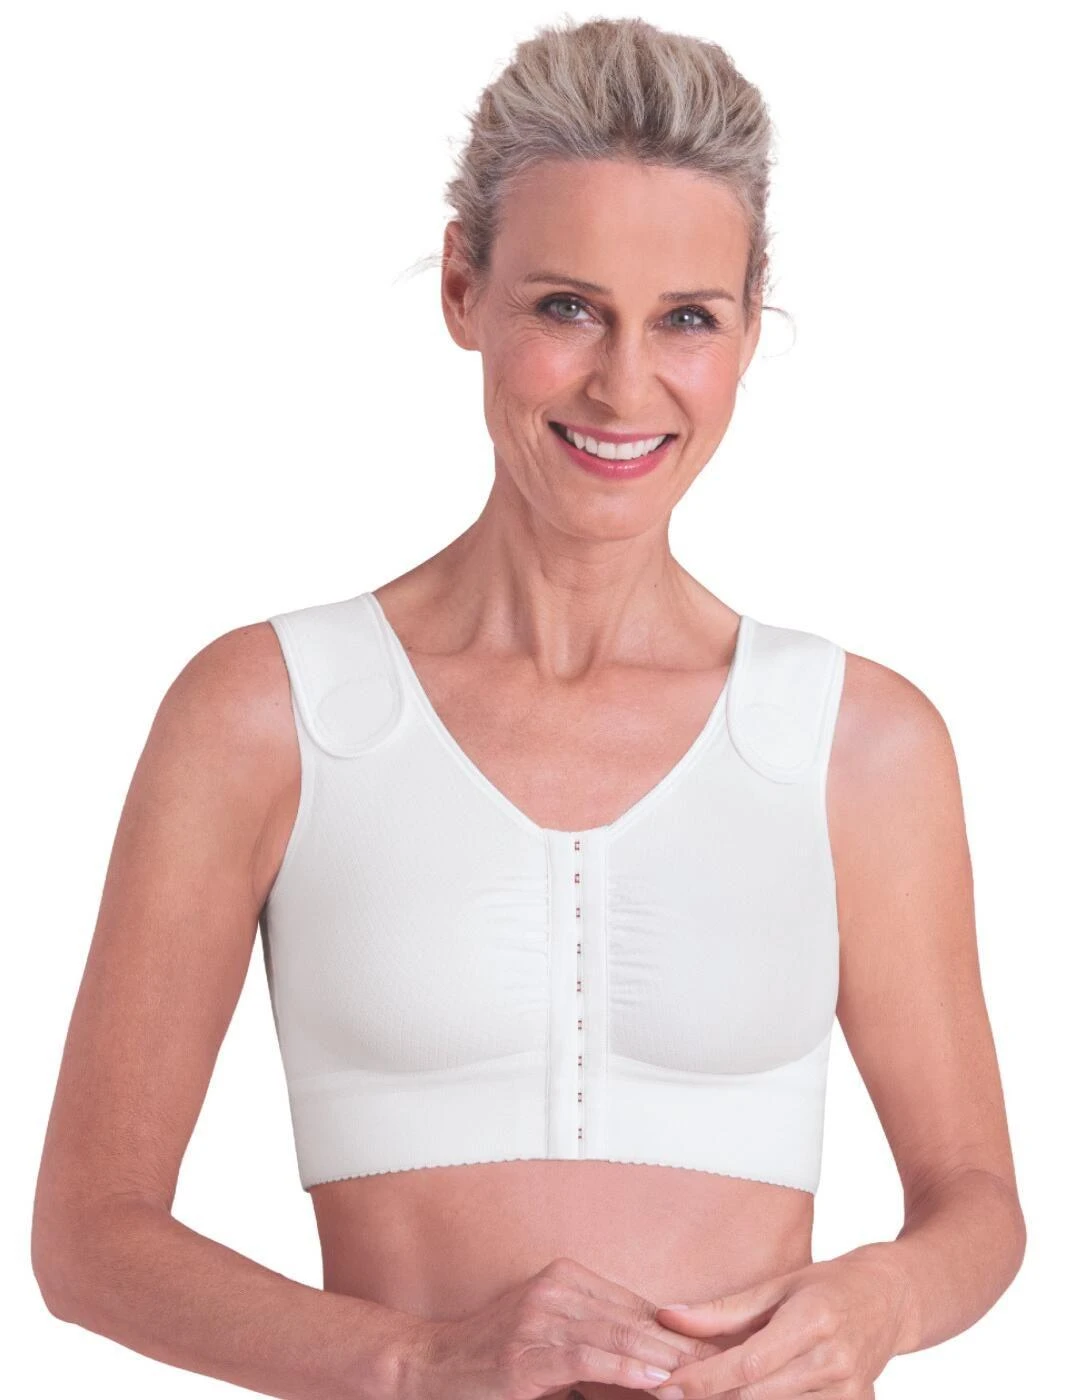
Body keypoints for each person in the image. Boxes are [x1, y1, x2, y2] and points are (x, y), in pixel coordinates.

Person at [31, 16, 1025, 1400]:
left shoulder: (859, 742)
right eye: (567, 308)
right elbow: (88, 1239)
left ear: (749, 329)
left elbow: (977, 1200)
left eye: (688, 318)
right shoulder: (267, 715)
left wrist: (884, 1300)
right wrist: (418, 1361)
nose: (624, 383)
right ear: (463, 289)